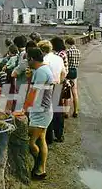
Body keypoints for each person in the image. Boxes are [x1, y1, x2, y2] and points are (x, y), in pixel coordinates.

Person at [25, 47, 54, 180]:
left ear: (31, 59)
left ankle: (38, 167)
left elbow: (33, 93)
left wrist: (23, 109)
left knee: (31, 143)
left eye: (27, 59)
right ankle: (40, 170)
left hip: (41, 112)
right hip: (42, 111)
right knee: (41, 140)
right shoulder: (42, 69)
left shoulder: (41, 71)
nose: (26, 62)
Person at [38, 40, 66, 143]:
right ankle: (59, 135)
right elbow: (63, 72)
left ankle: (48, 137)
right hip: (58, 85)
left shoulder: (44, 60)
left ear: (42, 50)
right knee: (58, 111)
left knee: (47, 111)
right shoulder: (58, 58)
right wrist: (60, 82)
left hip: (47, 87)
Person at [50, 37, 70, 118]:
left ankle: (59, 116)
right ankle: (63, 114)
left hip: (60, 79)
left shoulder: (60, 55)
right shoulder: (63, 53)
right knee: (62, 98)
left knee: (58, 100)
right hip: (62, 77)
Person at [65, 37, 80, 118]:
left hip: (68, 72)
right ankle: (76, 111)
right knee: (74, 92)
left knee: (67, 92)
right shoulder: (78, 51)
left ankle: (66, 112)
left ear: (68, 43)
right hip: (74, 71)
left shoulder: (67, 52)